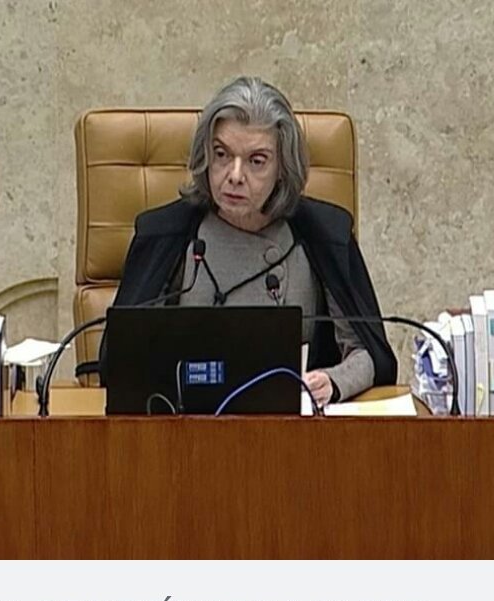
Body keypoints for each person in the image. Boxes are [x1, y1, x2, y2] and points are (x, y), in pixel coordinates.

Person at [100, 76, 396, 406]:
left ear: (282, 167)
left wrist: (333, 382)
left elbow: (367, 353)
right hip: (186, 421)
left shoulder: (324, 236)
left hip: (291, 424)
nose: (235, 176)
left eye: (256, 161)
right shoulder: (165, 234)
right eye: (222, 154)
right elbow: (123, 359)